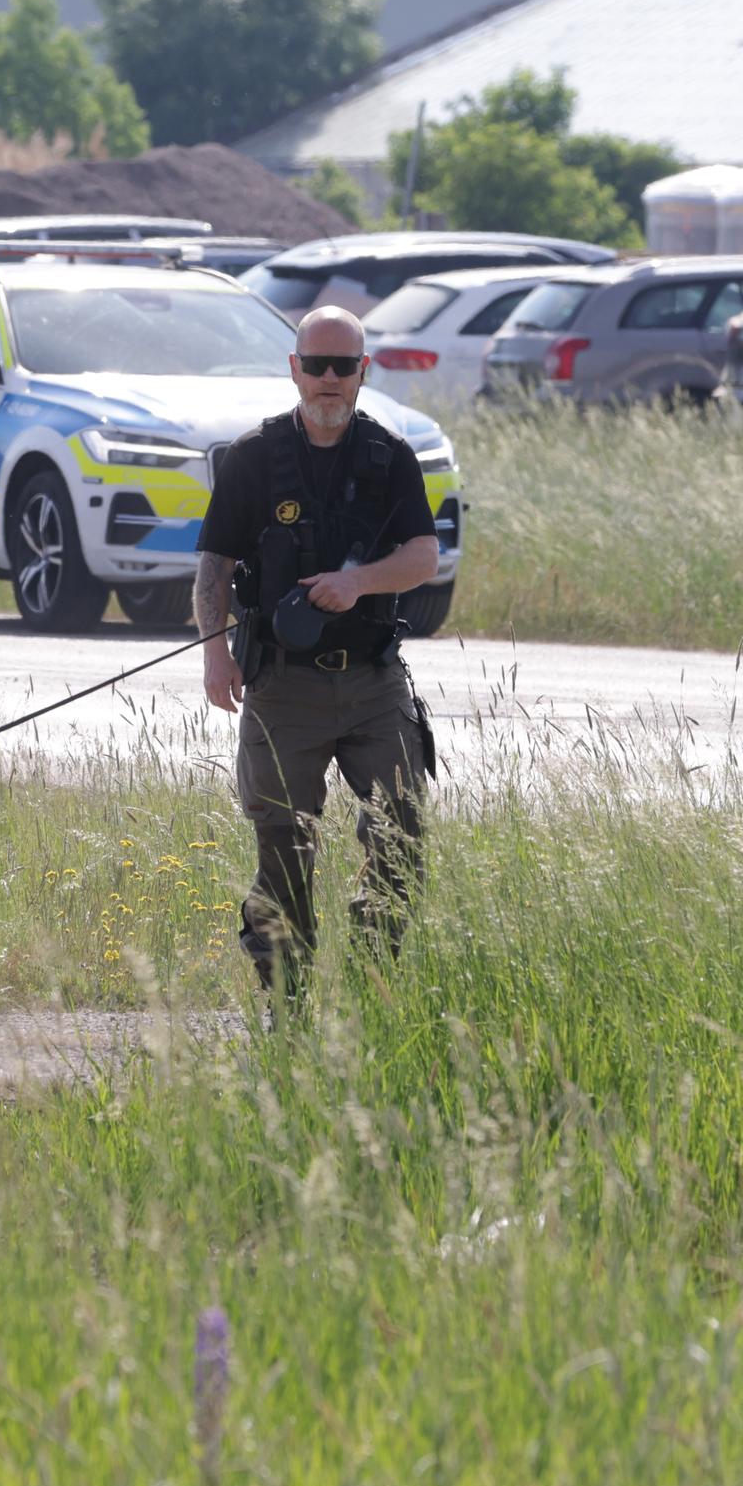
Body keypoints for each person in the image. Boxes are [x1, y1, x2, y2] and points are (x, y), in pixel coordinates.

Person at [193, 304, 442, 989]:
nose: (329, 379)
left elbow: (424, 555)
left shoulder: (390, 457)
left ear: (364, 371)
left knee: (401, 833)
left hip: (372, 682)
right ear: (294, 369)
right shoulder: (252, 458)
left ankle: (370, 986)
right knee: (283, 849)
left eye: (343, 366)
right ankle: (287, 999)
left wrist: (359, 582)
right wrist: (216, 654)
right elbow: (213, 566)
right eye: (316, 365)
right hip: (282, 685)